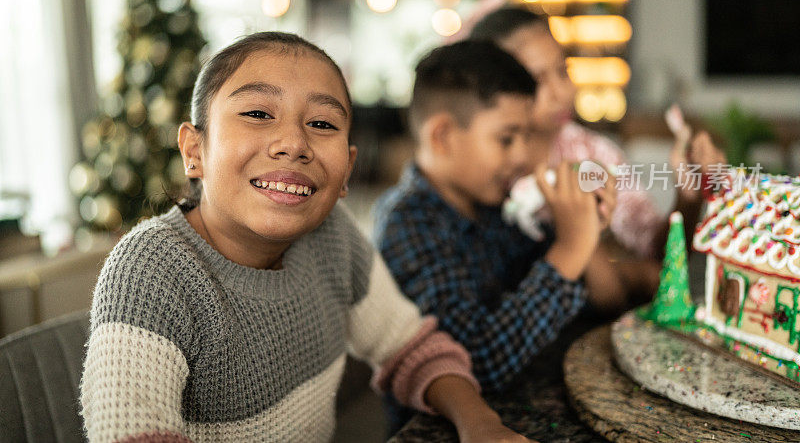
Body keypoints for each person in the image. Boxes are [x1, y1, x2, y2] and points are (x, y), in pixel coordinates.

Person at [79, 32, 532, 443]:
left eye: (322, 124)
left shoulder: (333, 234)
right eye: (258, 113)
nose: (293, 142)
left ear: (348, 168)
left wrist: (480, 422)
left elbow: (410, 346)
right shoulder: (151, 270)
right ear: (195, 151)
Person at [373, 40, 608, 432]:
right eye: (506, 138)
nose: (521, 155)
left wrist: (586, 224)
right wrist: (571, 245)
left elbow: (582, 299)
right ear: (443, 135)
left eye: (526, 137)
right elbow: (475, 362)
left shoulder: (494, 206)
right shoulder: (408, 222)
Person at [469, 7, 727, 309]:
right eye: (537, 81)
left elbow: (658, 252)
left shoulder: (593, 154)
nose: (562, 91)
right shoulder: (482, 170)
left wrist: (689, 195)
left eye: (563, 71)